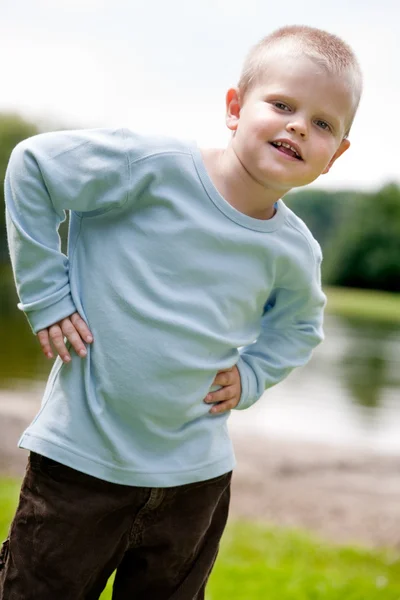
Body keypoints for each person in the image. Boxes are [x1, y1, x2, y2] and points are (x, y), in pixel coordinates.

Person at [0, 24, 362, 600]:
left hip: (195, 483)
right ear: (235, 108)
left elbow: (298, 328)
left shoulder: (294, 250)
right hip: (80, 465)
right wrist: (48, 295)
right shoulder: (149, 167)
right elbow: (32, 167)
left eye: (323, 124)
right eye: (283, 105)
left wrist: (251, 375)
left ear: (335, 156)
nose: (299, 126)